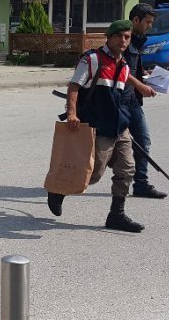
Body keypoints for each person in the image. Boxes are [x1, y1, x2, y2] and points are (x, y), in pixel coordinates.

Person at [47, 20, 145, 233]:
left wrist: (140, 85)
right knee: (93, 174)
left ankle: (116, 215)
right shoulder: (92, 60)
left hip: (120, 127)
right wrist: (72, 113)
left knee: (127, 170)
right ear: (109, 37)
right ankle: (58, 192)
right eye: (119, 36)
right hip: (99, 127)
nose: (123, 41)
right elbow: (74, 86)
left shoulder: (123, 63)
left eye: (127, 37)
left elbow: (126, 78)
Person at [121, 3, 167, 199]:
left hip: (133, 100)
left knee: (143, 141)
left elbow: (131, 68)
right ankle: (69, 182)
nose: (150, 26)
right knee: (101, 150)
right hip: (117, 101)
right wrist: (140, 85)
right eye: (147, 22)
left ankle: (141, 183)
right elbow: (118, 69)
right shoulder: (122, 39)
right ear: (135, 20)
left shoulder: (137, 41)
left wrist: (144, 76)